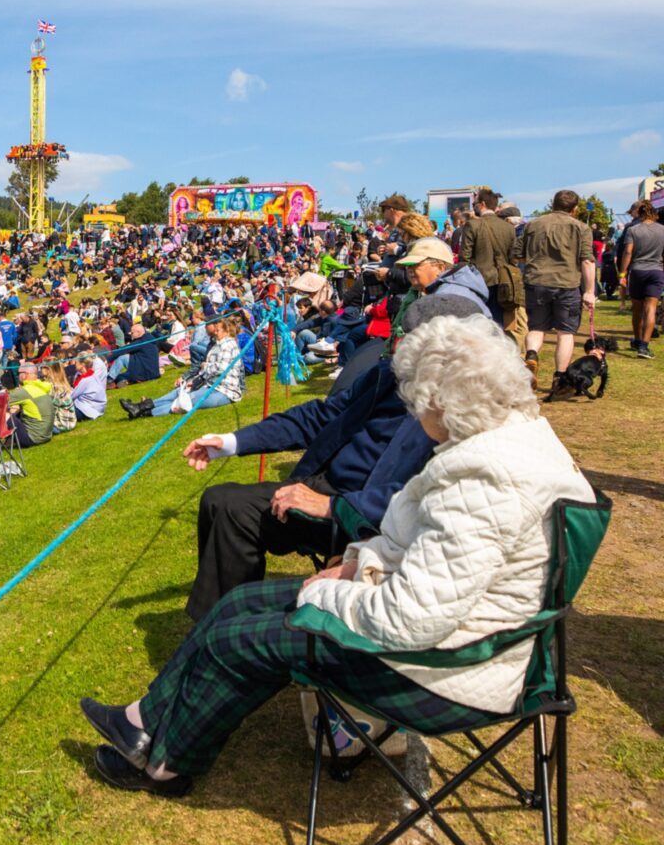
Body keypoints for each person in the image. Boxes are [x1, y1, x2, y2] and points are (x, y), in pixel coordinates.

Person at [79, 313, 593, 798]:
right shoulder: (509, 441)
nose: (413, 414)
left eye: (418, 401)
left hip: (450, 666)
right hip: (462, 630)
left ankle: (169, 765)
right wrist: (357, 561)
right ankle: (142, 723)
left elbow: (412, 619)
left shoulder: (485, 479)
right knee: (239, 604)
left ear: (442, 400)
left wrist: (328, 592)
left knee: (238, 640)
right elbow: (421, 550)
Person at [178, 295, 485, 620]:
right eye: (403, 336)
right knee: (219, 501)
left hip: (365, 517)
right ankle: (216, 626)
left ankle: (222, 633)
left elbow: (425, 498)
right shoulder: (386, 377)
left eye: (411, 340)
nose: (399, 346)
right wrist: (230, 441)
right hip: (324, 489)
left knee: (232, 506)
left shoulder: (463, 417)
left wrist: (333, 506)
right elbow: (317, 417)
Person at [514, 189, 596, 384]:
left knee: (536, 327)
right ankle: (559, 376)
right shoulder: (581, 228)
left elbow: (518, 254)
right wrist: (590, 291)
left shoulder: (533, 224)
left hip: (536, 281)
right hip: (566, 284)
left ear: (552, 204)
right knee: (565, 332)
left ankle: (532, 355)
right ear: (575, 209)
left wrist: (535, 260)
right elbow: (587, 261)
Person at [138, 314, 246, 416]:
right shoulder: (218, 345)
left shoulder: (228, 346)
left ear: (226, 331)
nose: (216, 332)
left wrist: (205, 366)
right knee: (179, 392)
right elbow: (211, 370)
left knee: (186, 400)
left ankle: (146, 412)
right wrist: (195, 380)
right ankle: (142, 407)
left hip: (225, 391)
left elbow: (221, 369)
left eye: (218, 330)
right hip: (211, 385)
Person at [460, 188, 523, 341]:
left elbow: (464, 257)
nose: (473, 206)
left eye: (475, 203)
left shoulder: (472, 225)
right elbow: (512, 257)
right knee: (498, 323)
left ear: (482, 204)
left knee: (477, 322)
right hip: (502, 281)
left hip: (478, 281)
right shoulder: (508, 228)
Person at [618, 200, 663, 358]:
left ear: (641, 213)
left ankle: (637, 340)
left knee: (637, 308)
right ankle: (644, 346)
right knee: (651, 308)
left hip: (637, 271)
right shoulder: (662, 230)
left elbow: (628, 252)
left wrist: (623, 273)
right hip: (656, 271)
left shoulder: (633, 230)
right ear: (654, 213)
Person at [9, 364, 55, 447]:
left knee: (4, 414)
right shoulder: (41, 386)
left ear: (25, 375)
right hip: (46, 435)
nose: (18, 376)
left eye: (18, 373)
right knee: (16, 409)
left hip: (33, 439)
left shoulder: (25, 391)